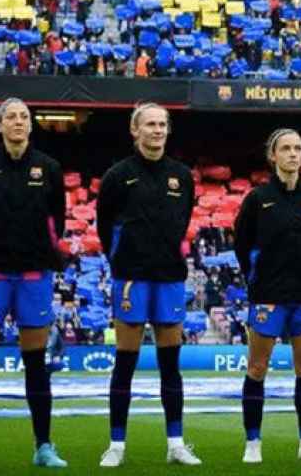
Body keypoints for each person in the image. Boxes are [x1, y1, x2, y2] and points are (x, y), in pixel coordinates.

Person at [0, 98, 70, 469]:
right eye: (11, 117)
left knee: (36, 364)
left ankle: (44, 446)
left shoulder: (49, 168)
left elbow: (58, 222)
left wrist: (43, 255)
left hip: (34, 276)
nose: (18, 122)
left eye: (24, 117)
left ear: (30, 126)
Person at [95, 103, 200, 467]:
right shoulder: (117, 176)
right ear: (135, 130)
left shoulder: (182, 176)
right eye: (150, 124)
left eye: (162, 125)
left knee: (170, 365)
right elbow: (104, 227)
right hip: (131, 278)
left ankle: (176, 443)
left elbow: (183, 220)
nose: (157, 130)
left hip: (169, 277)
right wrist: (125, 260)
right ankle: (117, 445)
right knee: (125, 363)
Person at [234, 128, 301, 463]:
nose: (294, 154)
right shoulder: (257, 199)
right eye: (287, 148)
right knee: (257, 368)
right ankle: (253, 443)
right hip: (267, 295)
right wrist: (259, 279)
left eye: (299, 148)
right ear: (272, 156)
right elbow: (242, 245)